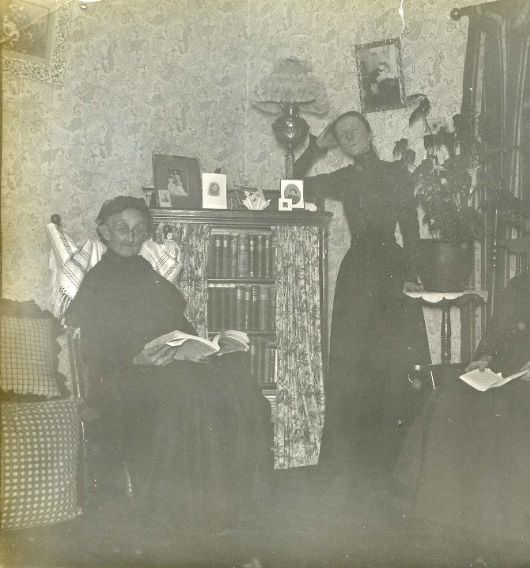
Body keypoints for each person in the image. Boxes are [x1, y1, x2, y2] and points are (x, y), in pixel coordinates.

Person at [394, 197, 530, 559]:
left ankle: (504, 522)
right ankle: (445, 513)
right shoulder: (519, 284)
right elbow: (494, 336)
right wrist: (484, 359)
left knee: (513, 420)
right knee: (448, 400)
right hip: (506, 372)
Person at [65, 196, 271, 533]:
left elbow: (178, 327)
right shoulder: (96, 283)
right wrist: (136, 359)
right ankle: (195, 511)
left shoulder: (149, 275)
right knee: (189, 395)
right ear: (104, 231)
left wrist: (204, 348)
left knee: (237, 384)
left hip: (166, 366)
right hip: (121, 378)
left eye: (138, 229)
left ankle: (239, 502)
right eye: (121, 228)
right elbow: (93, 353)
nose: (130, 237)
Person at [294, 111, 430, 507]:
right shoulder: (344, 178)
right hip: (357, 278)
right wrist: (315, 149)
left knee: (395, 367)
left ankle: (395, 468)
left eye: (355, 130)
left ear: (369, 134)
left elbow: (411, 229)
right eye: (342, 134)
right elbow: (295, 184)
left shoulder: (396, 173)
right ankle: (352, 468)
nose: (349, 137)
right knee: (354, 367)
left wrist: (413, 273)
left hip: (393, 273)